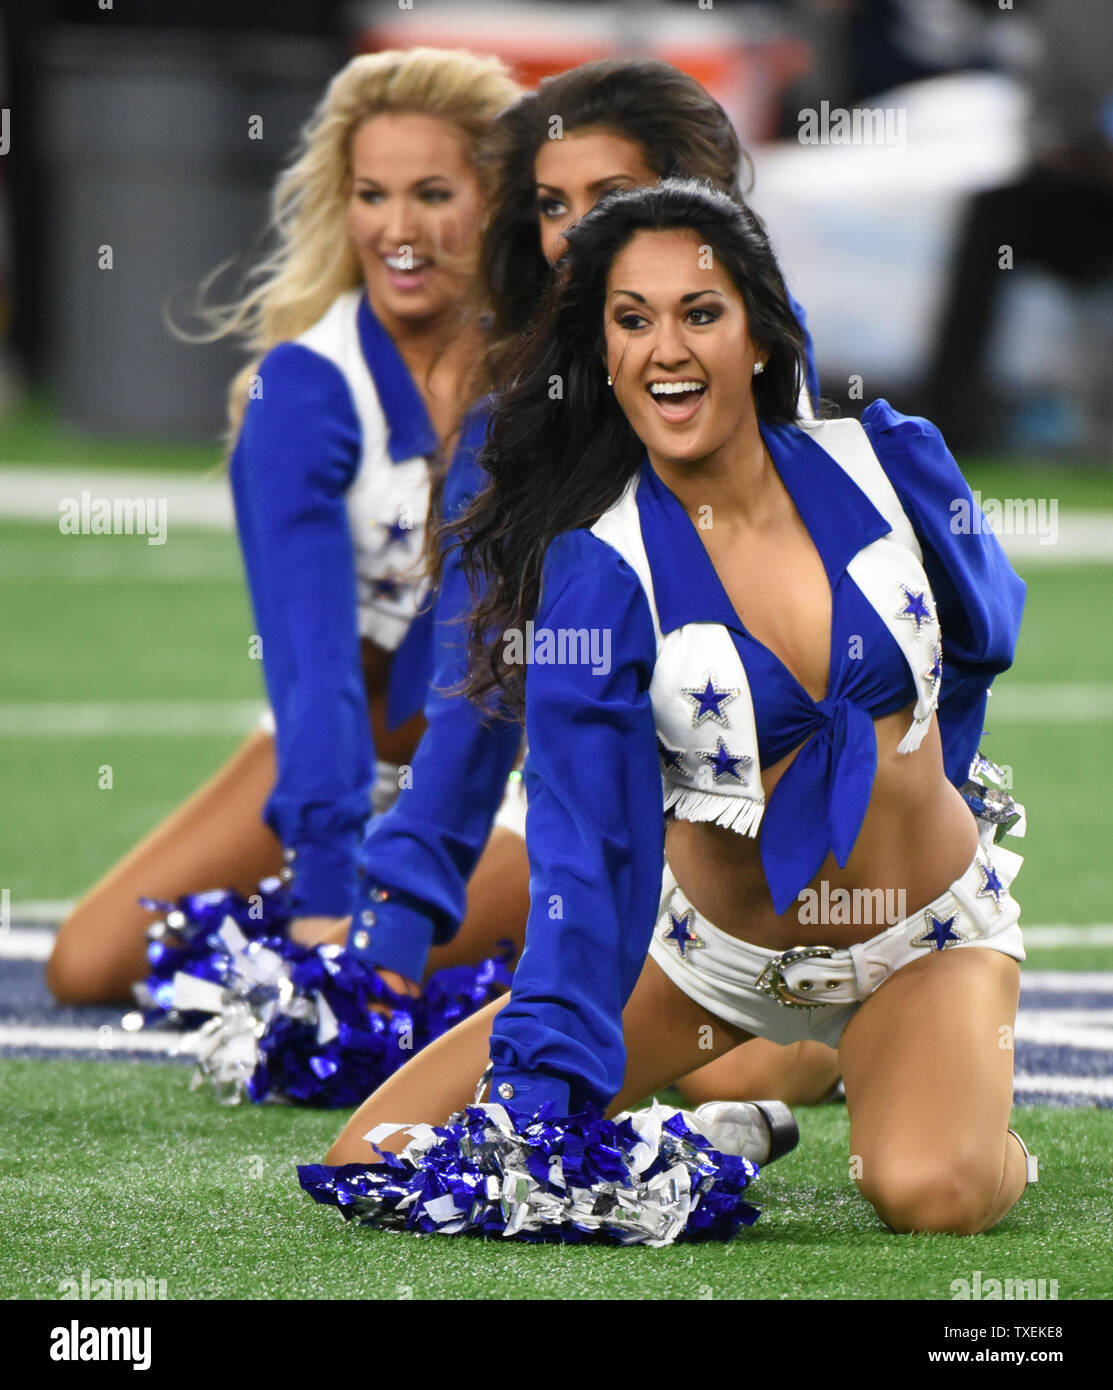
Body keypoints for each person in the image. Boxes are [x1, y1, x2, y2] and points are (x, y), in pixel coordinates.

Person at [316, 180, 1033, 1239]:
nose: (667, 349)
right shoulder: (599, 575)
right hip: (708, 965)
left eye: (700, 312)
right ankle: (734, 1108)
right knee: (382, 1159)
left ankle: (941, 1096)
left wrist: (926, 803)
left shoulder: (892, 462)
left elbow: (981, 645)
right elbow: (587, 852)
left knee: (929, 1194)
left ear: (758, 332)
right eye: (631, 318)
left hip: (923, 939)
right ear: (602, 354)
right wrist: (541, 1087)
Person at [333, 59, 839, 1109]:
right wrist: (388, 941)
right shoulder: (511, 420)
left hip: (764, 837)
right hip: (589, 807)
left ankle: (822, 1024)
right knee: (386, 1125)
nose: (570, 234)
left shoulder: (768, 379)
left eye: (605, 201)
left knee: (755, 1059)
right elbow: (480, 684)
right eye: (550, 205)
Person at [45, 48, 523, 1006]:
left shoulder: (553, 367)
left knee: (379, 960)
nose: (398, 230)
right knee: (91, 961)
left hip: (523, 745)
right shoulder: (304, 388)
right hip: (354, 735)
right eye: (371, 195)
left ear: (496, 200)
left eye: (432, 194)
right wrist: (319, 886)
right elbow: (309, 664)